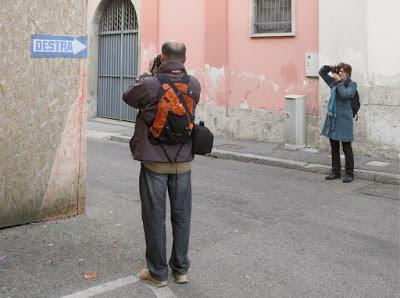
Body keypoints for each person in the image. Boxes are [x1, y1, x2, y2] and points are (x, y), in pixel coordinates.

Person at [122, 41, 201, 287]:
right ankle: (180, 270)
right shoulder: (194, 83)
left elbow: (128, 97)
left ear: (162, 57)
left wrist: (151, 73)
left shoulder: (149, 83)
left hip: (154, 162)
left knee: (155, 217)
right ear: (185, 59)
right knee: (182, 216)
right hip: (183, 162)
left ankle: (157, 273)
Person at [320, 63, 357, 183]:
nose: (339, 73)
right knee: (334, 147)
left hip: (345, 119)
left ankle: (349, 174)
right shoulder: (334, 83)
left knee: (346, 147)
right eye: (338, 70)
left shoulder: (352, 84)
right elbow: (322, 73)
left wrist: (338, 81)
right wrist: (329, 68)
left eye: (341, 71)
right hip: (334, 118)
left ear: (347, 72)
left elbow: (345, 94)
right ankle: (335, 171)